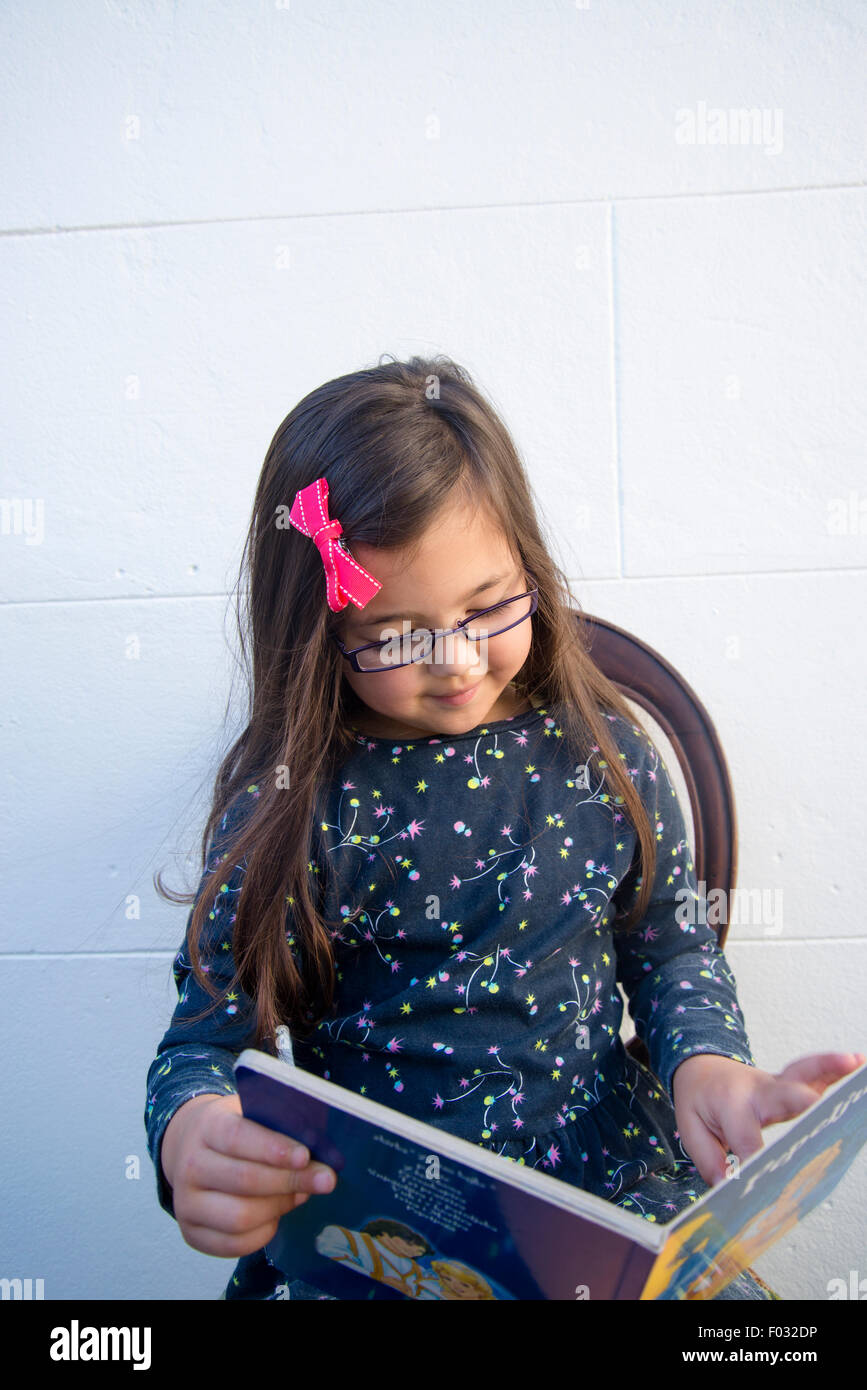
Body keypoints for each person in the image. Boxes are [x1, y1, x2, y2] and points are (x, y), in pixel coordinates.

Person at [144, 354, 864, 1302]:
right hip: (381, 1220)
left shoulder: (603, 752)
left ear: (527, 562)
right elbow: (201, 1043)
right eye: (398, 634)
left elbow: (672, 950)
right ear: (318, 630)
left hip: (605, 1193)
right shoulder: (293, 802)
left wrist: (707, 1065)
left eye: (487, 607)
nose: (454, 661)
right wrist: (192, 1132)